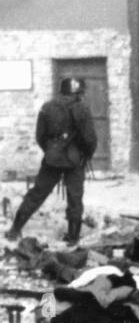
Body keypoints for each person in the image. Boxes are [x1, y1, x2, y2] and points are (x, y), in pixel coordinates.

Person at [6, 77, 97, 244]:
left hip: (52, 159)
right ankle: (73, 238)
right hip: (75, 159)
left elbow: (40, 136)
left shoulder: (47, 107)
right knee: (75, 198)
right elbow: (90, 138)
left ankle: (15, 230)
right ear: (78, 92)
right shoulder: (82, 108)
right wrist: (86, 155)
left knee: (37, 194)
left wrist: (50, 150)